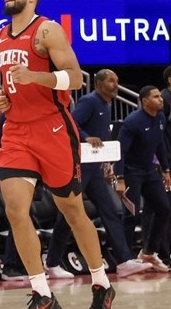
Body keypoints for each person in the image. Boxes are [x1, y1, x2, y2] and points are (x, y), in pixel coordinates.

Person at [0, 0, 113, 309]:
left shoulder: (47, 31)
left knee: (73, 210)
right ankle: (42, 292)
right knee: (16, 210)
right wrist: (1, 99)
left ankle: (101, 283)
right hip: (16, 130)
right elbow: (12, 83)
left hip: (53, 129)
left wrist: (36, 78)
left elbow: (75, 78)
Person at [45, 69, 153, 278]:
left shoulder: (107, 104)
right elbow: (71, 123)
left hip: (93, 167)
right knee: (69, 214)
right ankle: (52, 262)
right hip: (79, 166)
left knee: (110, 211)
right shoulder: (90, 101)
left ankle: (123, 261)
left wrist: (105, 163)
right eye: (111, 81)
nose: (115, 84)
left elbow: (101, 138)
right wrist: (85, 137)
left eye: (117, 81)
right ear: (99, 83)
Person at [114, 85, 171, 272]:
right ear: (145, 100)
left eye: (160, 97)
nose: (161, 99)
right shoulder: (132, 122)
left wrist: (166, 169)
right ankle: (125, 260)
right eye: (156, 97)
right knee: (131, 215)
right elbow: (120, 151)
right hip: (131, 172)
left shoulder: (160, 118)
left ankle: (149, 252)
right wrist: (120, 177)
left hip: (149, 171)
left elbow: (160, 145)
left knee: (164, 209)